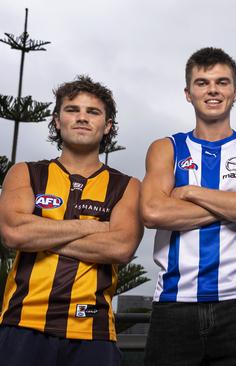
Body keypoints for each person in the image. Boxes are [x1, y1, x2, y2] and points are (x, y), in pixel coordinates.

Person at [140, 47, 236, 366]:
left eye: (222, 82)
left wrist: (190, 192)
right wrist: (232, 204)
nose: (212, 89)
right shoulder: (166, 148)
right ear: (188, 93)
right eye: (202, 83)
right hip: (174, 303)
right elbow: (153, 212)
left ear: (235, 92)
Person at [0, 76, 143, 366]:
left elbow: (120, 247)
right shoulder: (24, 173)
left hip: (94, 331)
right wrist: (90, 227)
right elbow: (15, 233)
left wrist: (41, 232)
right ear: (56, 120)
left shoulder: (128, 186)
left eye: (93, 112)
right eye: (72, 109)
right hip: (22, 324)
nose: (82, 117)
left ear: (108, 126)